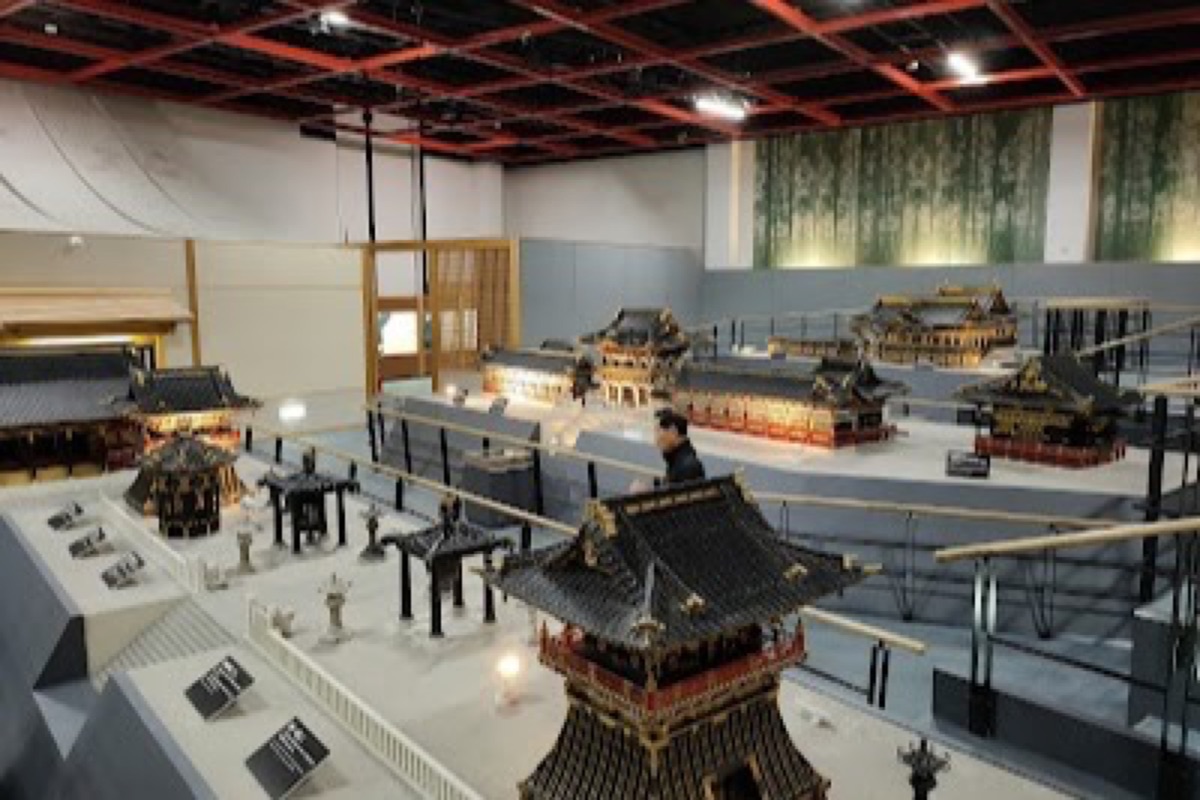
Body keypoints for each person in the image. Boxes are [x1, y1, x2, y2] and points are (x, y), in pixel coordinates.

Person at [654, 408, 706, 485]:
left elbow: (676, 496)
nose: (656, 440)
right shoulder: (677, 459)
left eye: (658, 431)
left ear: (673, 431)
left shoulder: (688, 468)